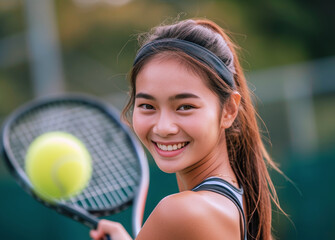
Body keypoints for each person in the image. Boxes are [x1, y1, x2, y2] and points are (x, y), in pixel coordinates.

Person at [90, 18, 283, 240]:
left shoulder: (179, 213)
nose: (163, 127)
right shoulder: (237, 201)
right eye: (147, 106)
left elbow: (180, 220)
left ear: (229, 109)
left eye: (185, 107)